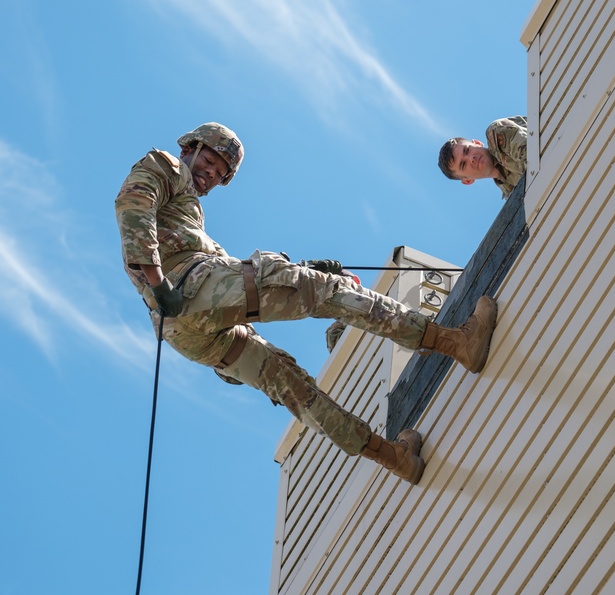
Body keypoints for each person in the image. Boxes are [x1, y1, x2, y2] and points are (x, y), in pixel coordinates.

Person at [116, 122, 498, 486]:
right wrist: (157, 279)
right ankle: (454, 342)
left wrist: (296, 270)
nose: (211, 174)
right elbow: (134, 203)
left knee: (288, 383)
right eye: (210, 161)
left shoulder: (189, 221)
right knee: (327, 291)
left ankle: (395, 457)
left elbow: (227, 283)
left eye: (220, 172)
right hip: (183, 291)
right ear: (189, 149)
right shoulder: (166, 165)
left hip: (183, 328)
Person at [438, 115, 528, 199]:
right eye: (463, 164)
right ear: (468, 181)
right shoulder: (510, 194)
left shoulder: (495, 134)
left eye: (467, 150)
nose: (471, 158)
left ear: (477, 143)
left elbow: (531, 152)